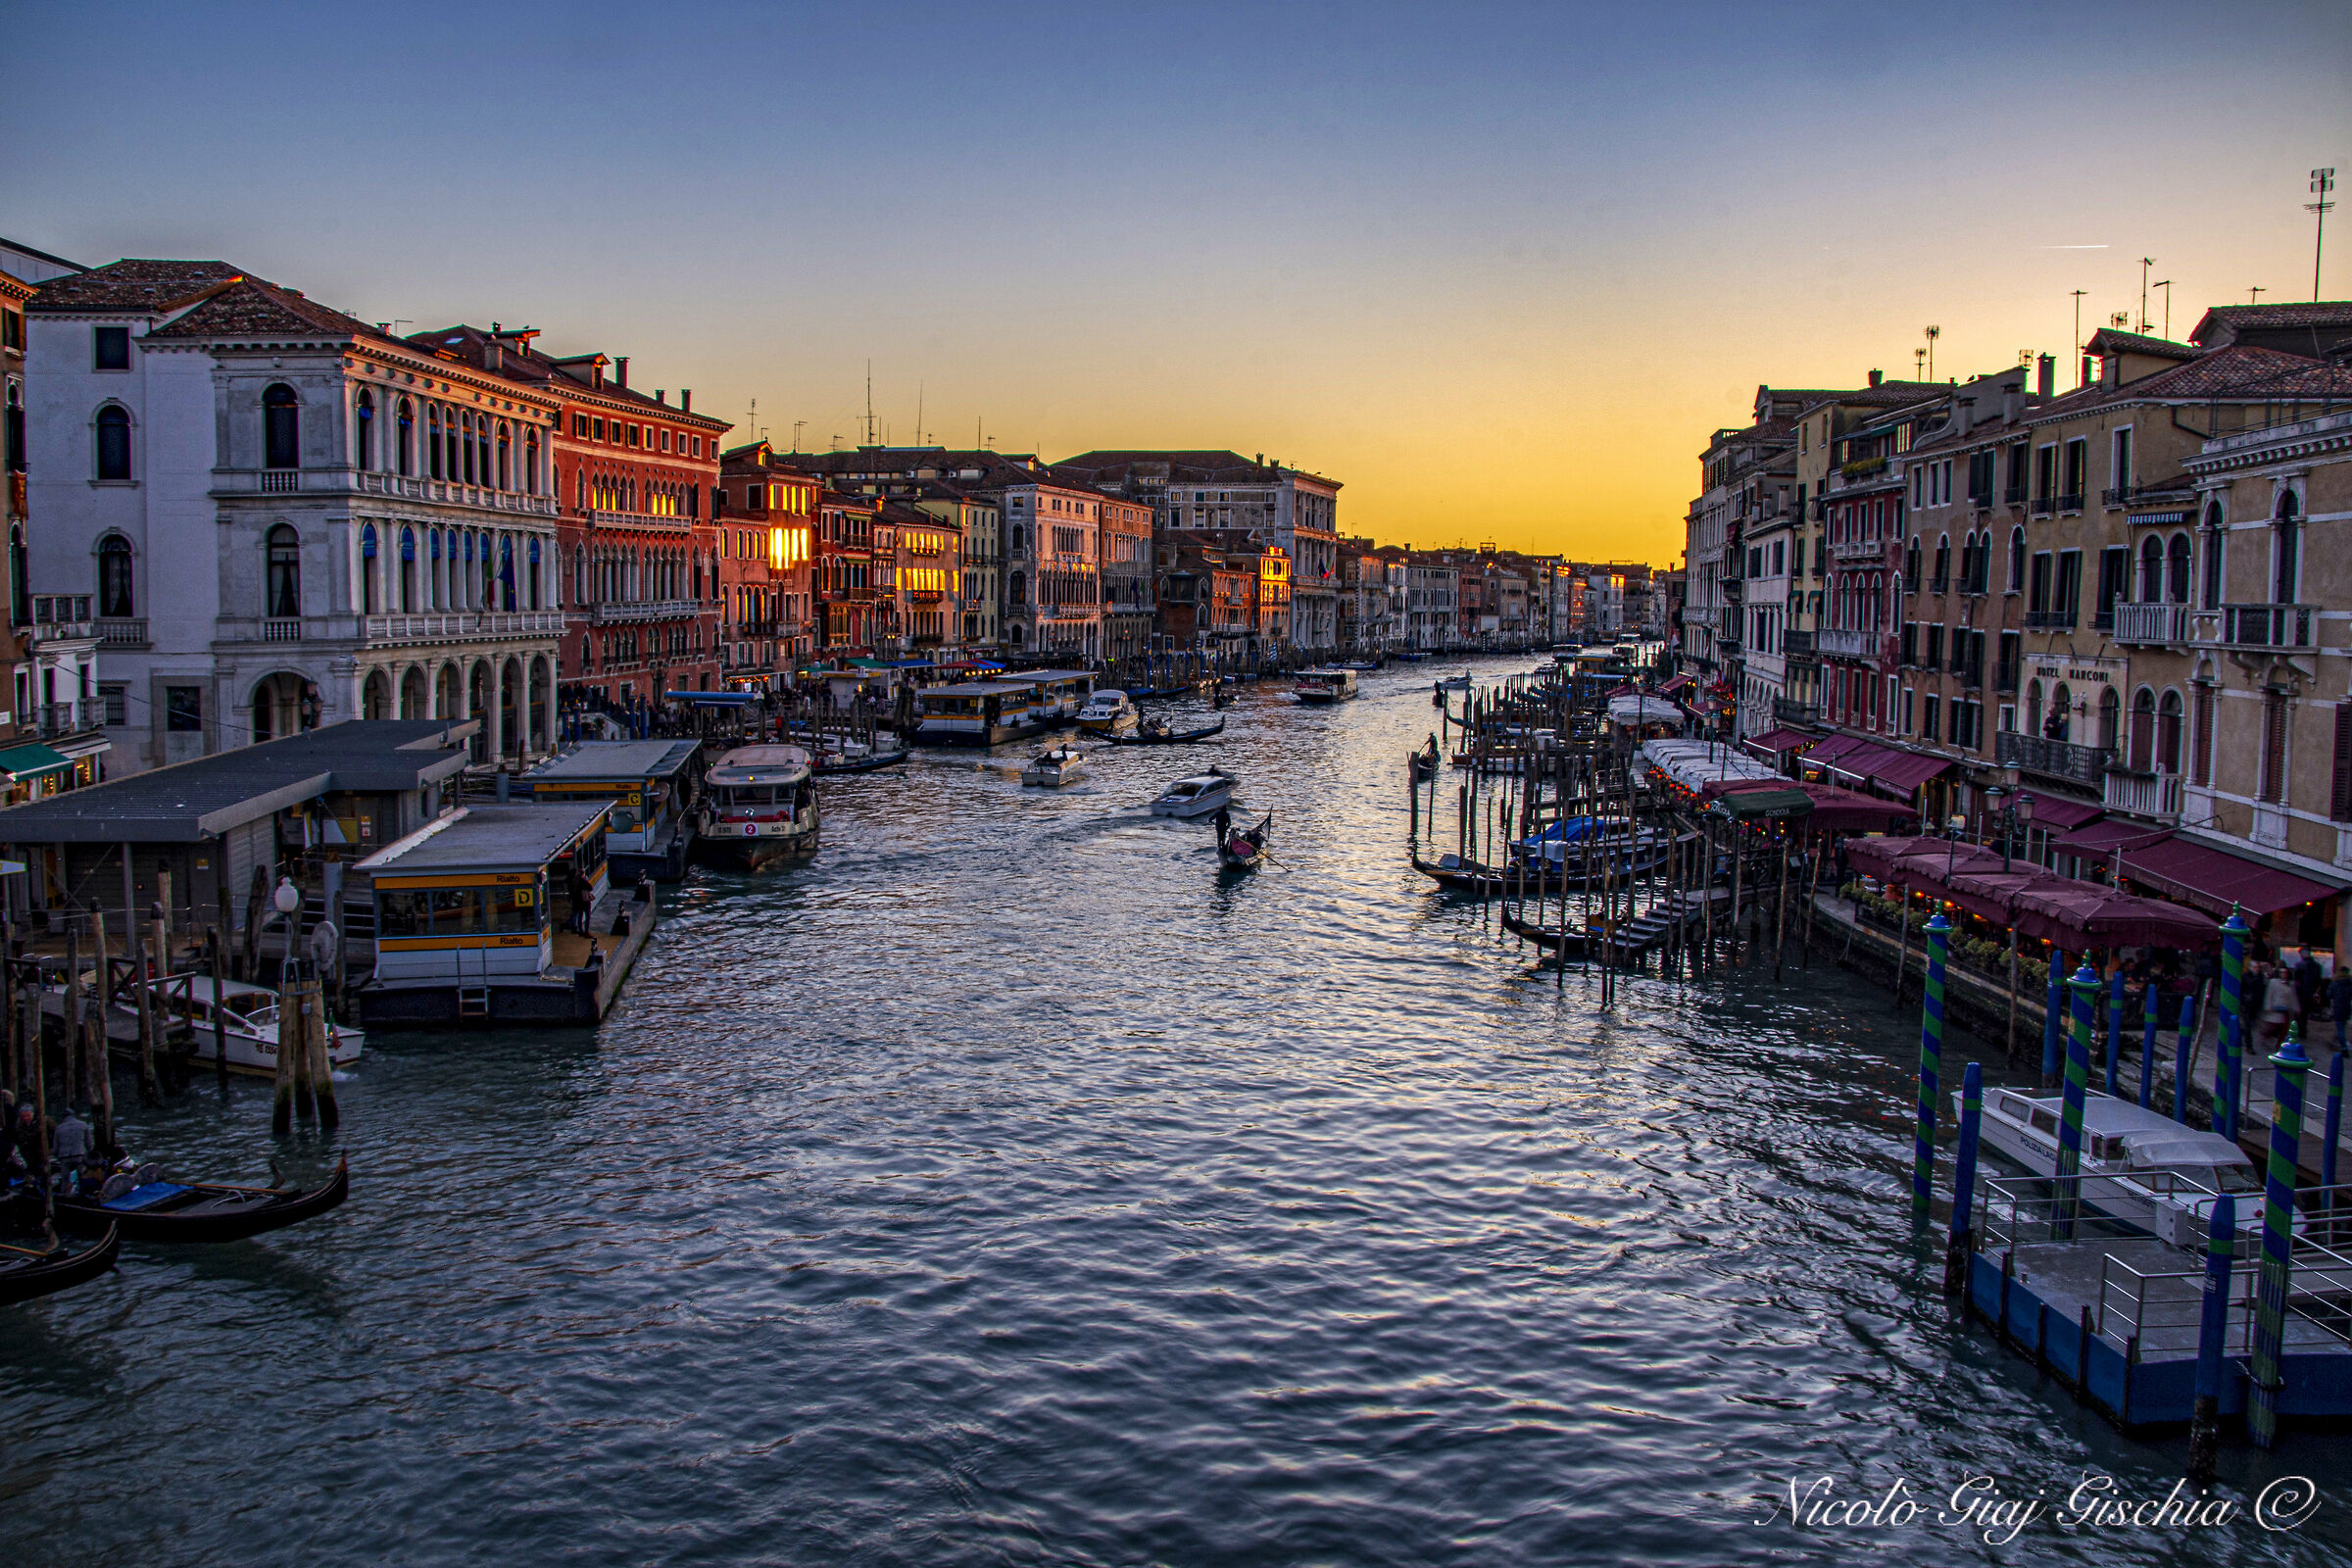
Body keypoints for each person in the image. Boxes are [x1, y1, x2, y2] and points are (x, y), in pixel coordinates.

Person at [2331, 963, 2352, 1054]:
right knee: (2342, 1026)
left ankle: (2344, 1048)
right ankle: (2341, 1042)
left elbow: (2329, 994)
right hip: (2347, 1007)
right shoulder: (2350, 983)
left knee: (2340, 1028)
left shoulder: (2335, 983)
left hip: (2338, 1007)